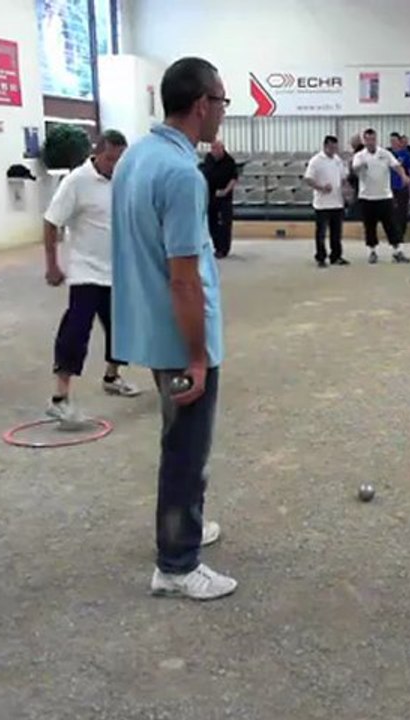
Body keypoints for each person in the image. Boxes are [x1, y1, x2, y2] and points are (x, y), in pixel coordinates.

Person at [111, 56, 237, 601]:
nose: (223, 114)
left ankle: (184, 527)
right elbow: (184, 280)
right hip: (179, 334)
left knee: (179, 442)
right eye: (223, 102)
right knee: (186, 447)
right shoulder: (183, 174)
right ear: (202, 103)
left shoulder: (136, 157)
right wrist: (197, 356)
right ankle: (177, 564)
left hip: (148, 325)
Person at [43, 129, 139, 422]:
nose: (115, 165)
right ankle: (60, 397)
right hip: (85, 271)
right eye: (111, 159)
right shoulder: (76, 182)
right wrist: (52, 265)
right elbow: (51, 222)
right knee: (76, 330)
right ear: (97, 153)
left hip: (117, 272)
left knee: (122, 329)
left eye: (120, 160)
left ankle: (112, 377)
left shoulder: (123, 181)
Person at [351, 128, 410, 264]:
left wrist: (404, 176)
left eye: (373, 139)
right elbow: (355, 170)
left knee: (391, 225)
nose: (370, 142)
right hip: (367, 197)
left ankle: (397, 251)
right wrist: (360, 167)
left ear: (376, 139)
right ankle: (372, 252)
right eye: (367, 139)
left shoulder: (385, 154)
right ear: (364, 140)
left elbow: (396, 166)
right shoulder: (359, 156)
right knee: (370, 227)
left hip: (384, 196)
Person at [303, 135, 349, 268]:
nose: (333, 150)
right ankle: (321, 257)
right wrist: (321, 188)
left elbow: (343, 177)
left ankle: (336, 256)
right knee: (321, 233)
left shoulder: (338, 160)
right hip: (322, 203)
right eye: (331, 147)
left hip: (337, 202)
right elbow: (308, 179)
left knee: (336, 232)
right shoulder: (316, 161)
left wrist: (346, 190)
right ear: (325, 146)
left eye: (335, 147)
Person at [200, 140, 238, 258]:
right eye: (212, 149)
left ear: (222, 149)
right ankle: (217, 247)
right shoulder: (208, 158)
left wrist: (225, 191)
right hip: (210, 195)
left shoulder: (229, 161)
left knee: (225, 224)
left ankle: (224, 249)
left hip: (224, 197)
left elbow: (233, 179)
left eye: (216, 149)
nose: (214, 151)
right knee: (212, 223)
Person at [389, 132, 410, 244]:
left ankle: (401, 234)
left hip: (402, 186)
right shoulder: (388, 154)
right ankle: (393, 235)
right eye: (391, 141)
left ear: (399, 142)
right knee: (392, 212)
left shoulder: (406, 154)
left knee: (402, 212)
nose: (393, 143)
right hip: (390, 187)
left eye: (395, 141)